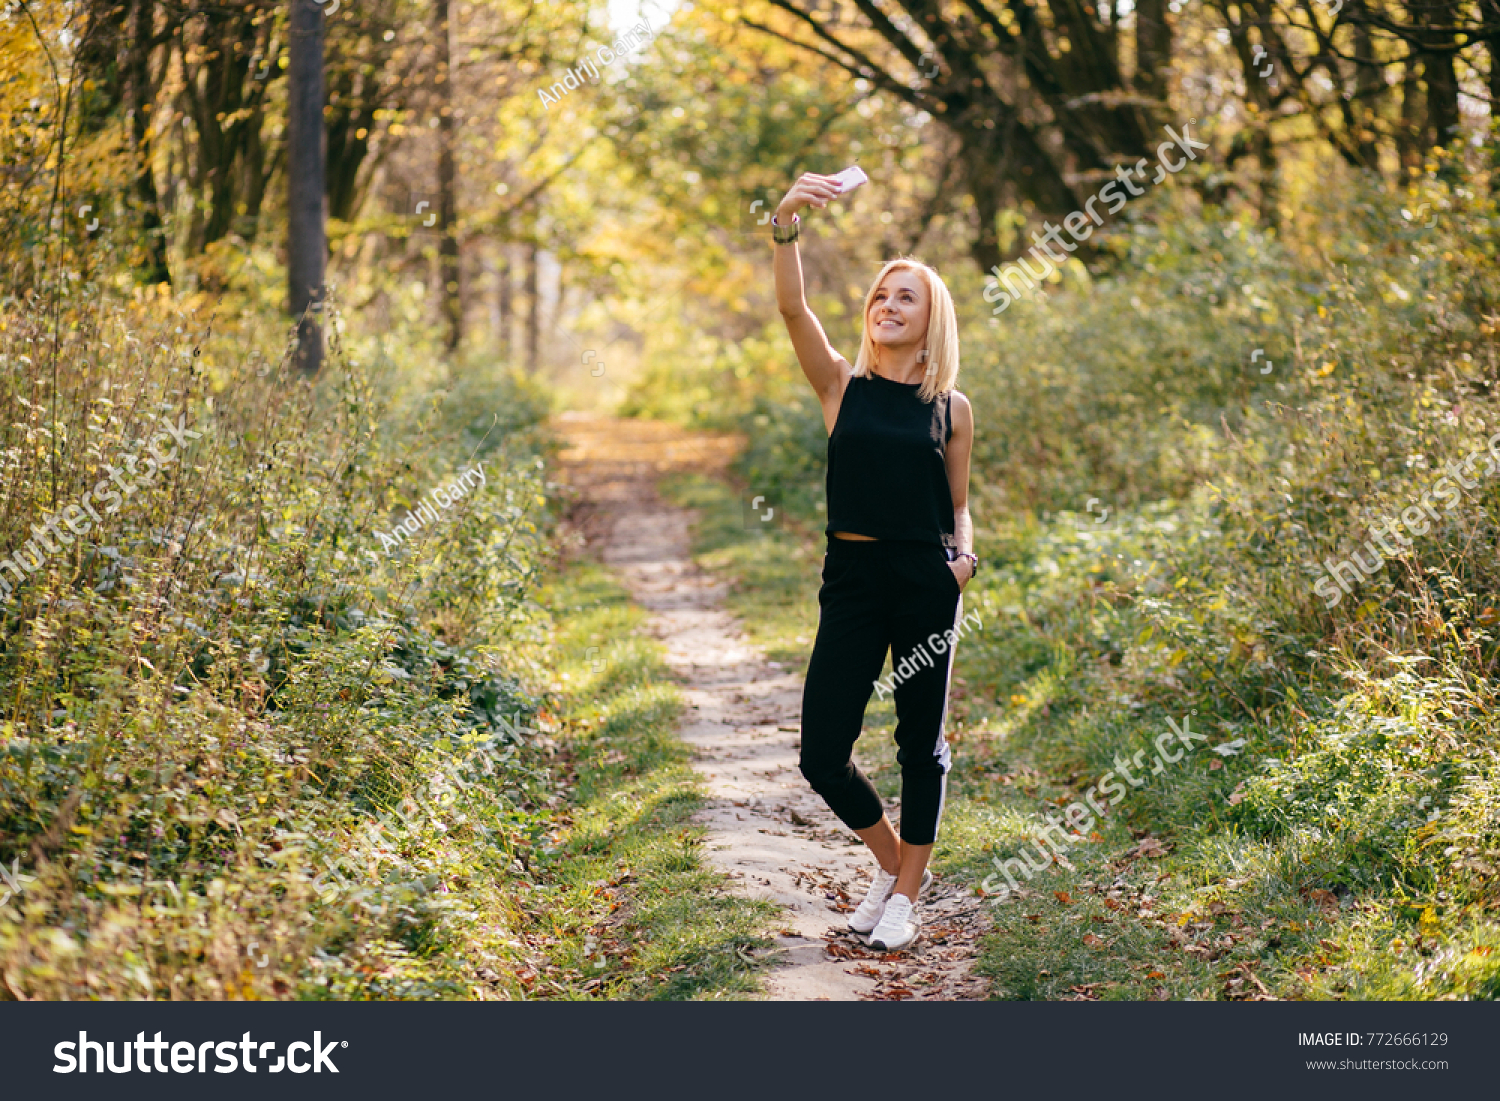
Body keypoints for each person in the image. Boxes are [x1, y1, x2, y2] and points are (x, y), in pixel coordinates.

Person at [771, 172, 977, 951]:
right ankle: (897, 871)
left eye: (905, 299)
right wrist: (786, 220)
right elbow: (793, 307)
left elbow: (957, 500)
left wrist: (962, 560)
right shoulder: (840, 386)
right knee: (822, 751)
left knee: (920, 743)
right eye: (880, 296)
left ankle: (903, 899)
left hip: (926, 583)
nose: (886, 307)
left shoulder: (951, 409)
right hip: (851, 580)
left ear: (931, 322)